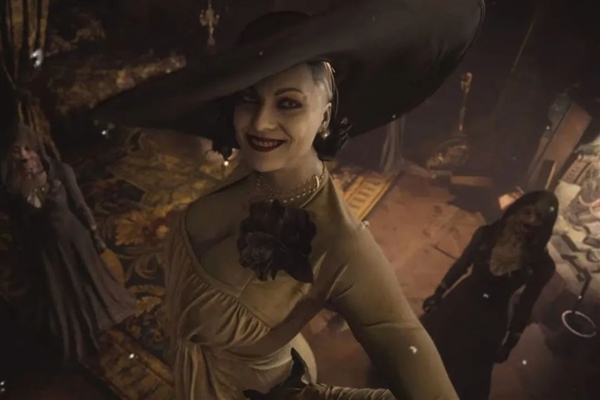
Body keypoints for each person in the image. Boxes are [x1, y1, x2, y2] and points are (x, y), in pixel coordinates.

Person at [92, 1, 485, 398]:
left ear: (326, 115)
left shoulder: (339, 241)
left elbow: (402, 337)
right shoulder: (255, 166)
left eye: (288, 103)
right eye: (249, 98)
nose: (260, 122)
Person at [0, 123, 137, 364]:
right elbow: (20, 225)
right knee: (61, 290)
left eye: (27, 149)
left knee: (87, 279)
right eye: (16, 151)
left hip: (74, 239)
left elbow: (80, 206)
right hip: (47, 249)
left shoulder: (61, 172)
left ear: (36, 148)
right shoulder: (13, 187)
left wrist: (95, 235)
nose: (23, 155)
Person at [421, 191, 559, 400]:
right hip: (459, 303)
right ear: (516, 210)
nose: (531, 221)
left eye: (539, 217)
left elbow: (525, 304)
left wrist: (511, 341)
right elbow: (462, 264)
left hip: (490, 320)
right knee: (431, 354)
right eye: (527, 212)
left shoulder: (542, 265)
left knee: (467, 374)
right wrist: (439, 293)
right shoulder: (486, 234)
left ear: (546, 225)